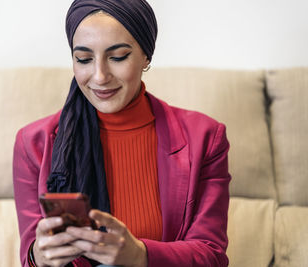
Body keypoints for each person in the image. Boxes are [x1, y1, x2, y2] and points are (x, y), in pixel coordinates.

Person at [13, 0, 231, 266]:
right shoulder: (32, 142)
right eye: (84, 59)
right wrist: (40, 256)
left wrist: (140, 255)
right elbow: (29, 258)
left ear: (146, 57)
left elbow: (213, 255)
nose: (100, 76)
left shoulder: (205, 138)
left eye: (118, 57)